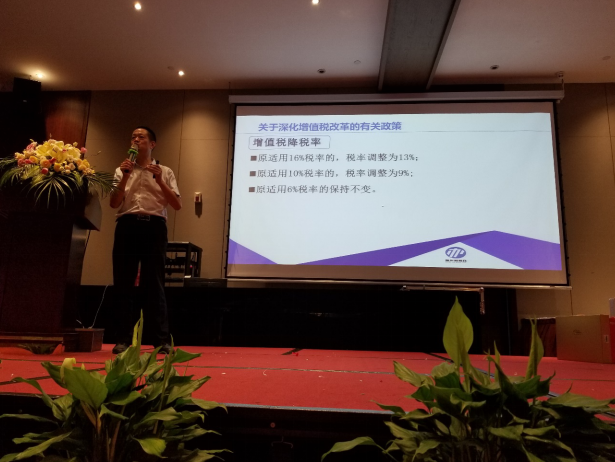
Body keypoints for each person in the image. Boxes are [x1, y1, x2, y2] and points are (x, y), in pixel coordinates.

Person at [109, 126, 182, 354]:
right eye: (133, 137)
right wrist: (125, 176)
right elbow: (113, 203)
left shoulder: (165, 171)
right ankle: (123, 339)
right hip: (127, 225)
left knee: (154, 283)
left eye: (141, 137)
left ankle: (161, 340)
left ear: (152, 144)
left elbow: (177, 204)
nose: (135, 140)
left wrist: (160, 180)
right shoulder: (121, 170)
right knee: (123, 282)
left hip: (154, 227)